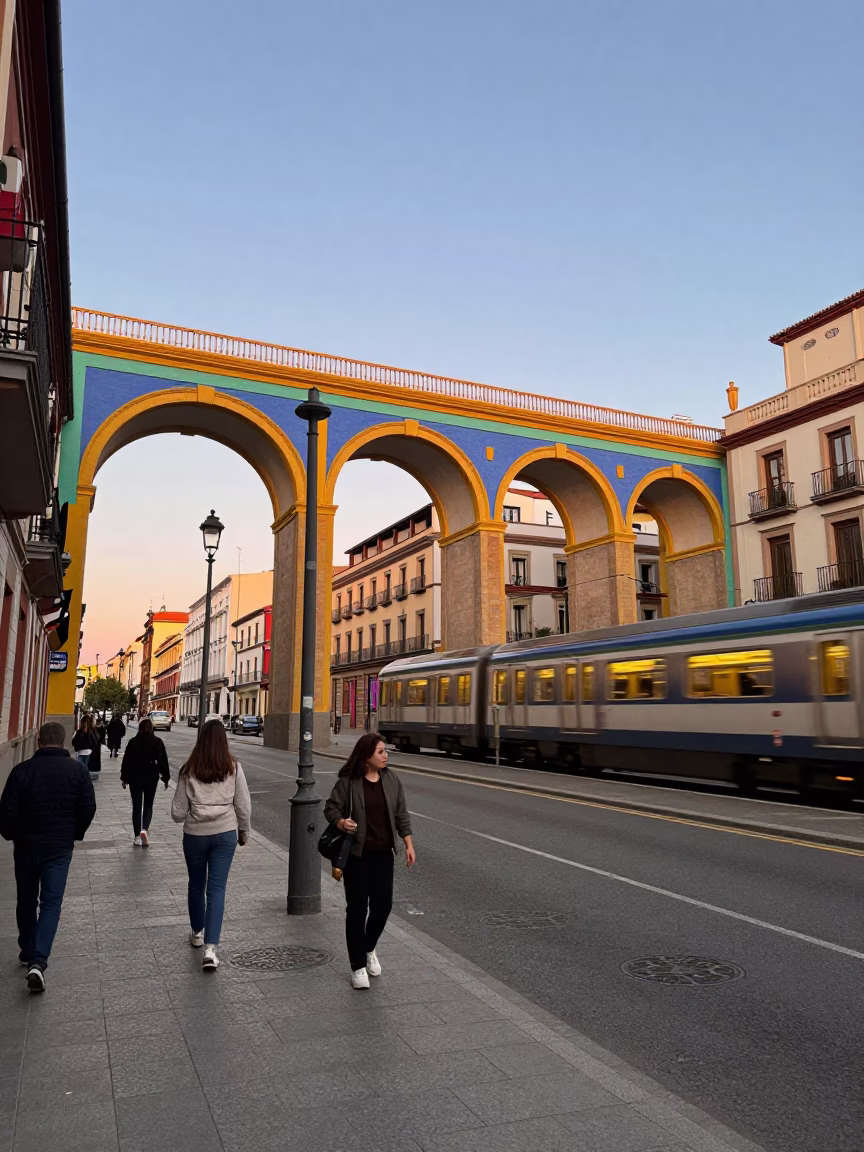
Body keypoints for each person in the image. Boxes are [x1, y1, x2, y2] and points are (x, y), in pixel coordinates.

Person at [0, 722, 96, 992]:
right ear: (64, 742)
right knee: (51, 903)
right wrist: (74, 833)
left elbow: (6, 810)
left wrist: (12, 835)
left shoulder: (22, 771)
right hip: (59, 847)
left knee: (26, 899)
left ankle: (27, 948)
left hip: (27, 845)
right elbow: (88, 807)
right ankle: (38, 961)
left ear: (38, 741)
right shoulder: (78, 772)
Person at [324, 733, 416, 989]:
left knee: (383, 907)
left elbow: (401, 815)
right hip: (357, 855)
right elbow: (331, 808)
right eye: (380, 752)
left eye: (385, 751)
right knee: (356, 910)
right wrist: (341, 822)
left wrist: (408, 843)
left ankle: (368, 947)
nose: (385, 755)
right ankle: (357, 967)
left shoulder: (391, 780)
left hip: (383, 854)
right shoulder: (348, 783)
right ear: (366, 756)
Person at [171, 718, 251, 970]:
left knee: (196, 884)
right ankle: (210, 949)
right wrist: (244, 832)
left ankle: (196, 931)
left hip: (194, 834)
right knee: (216, 888)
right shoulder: (234, 767)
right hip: (225, 833)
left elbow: (177, 812)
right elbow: (243, 805)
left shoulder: (189, 769)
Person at [120, 717, 170, 846]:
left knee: (137, 806)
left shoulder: (133, 742)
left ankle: (137, 836)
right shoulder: (157, 742)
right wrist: (165, 777)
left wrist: (124, 778)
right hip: (151, 776)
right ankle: (144, 830)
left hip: (135, 776)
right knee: (148, 805)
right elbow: (163, 761)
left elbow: (127, 761)